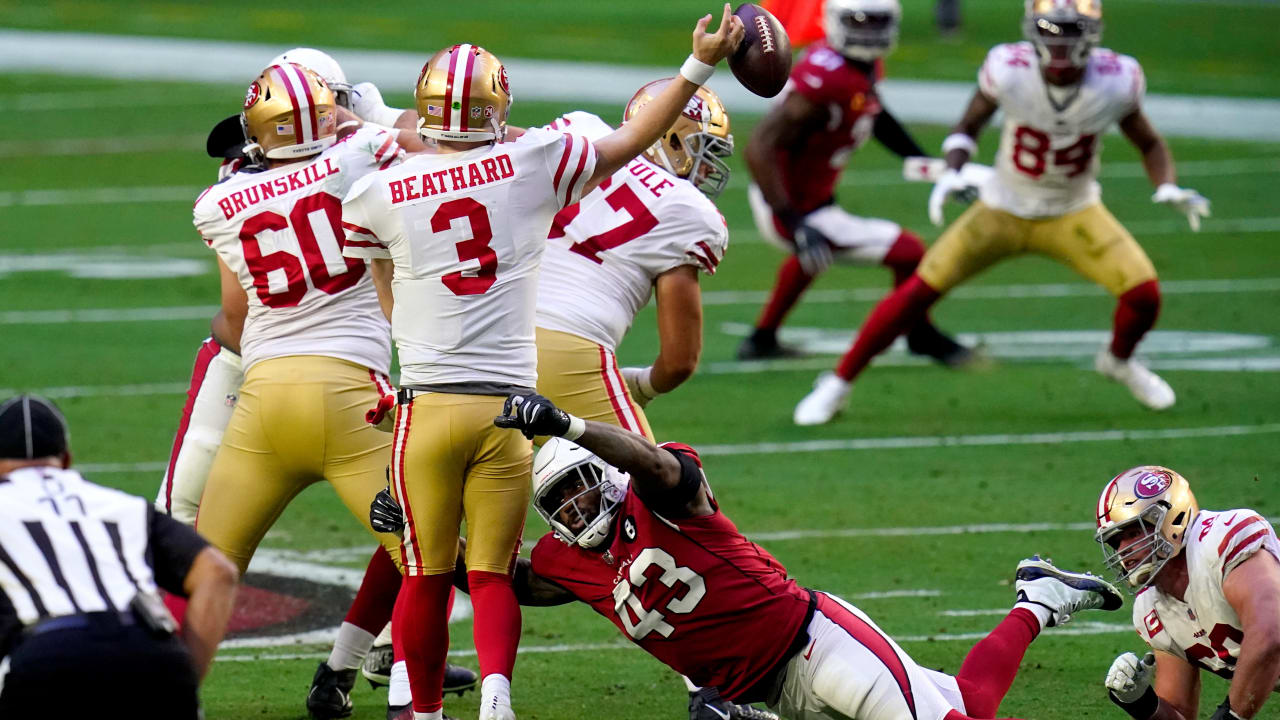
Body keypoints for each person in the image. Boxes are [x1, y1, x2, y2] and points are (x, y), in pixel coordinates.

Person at [339, 12, 745, 718]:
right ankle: (712, 680)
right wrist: (699, 67)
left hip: (447, 367)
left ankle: (379, 671)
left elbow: (416, 152)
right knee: (668, 498)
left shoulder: (423, 174)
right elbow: (679, 360)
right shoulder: (583, 171)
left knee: (425, 534)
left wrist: (373, 115)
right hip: (553, 359)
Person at [409, 391, 1123, 720]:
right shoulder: (570, 560)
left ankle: (1037, 600)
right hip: (762, 696)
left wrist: (571, 425)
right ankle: (1038, 598)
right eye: (556, 504)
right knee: (965, 705)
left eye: (577, 490)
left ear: (602, 477)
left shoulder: (657, 496)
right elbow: (507, 582)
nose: (572, 509)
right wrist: (417, 528)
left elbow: (661, 467)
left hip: (816, 644)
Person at [793, 0, 1211, 425]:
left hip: (1073, 209)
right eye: (1051, 29)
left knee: (1143, 295)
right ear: (1033, 28)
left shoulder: (1117, 79)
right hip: (1003, 208)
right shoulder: (1009, 68)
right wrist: (953, 171)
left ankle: (1119, 361)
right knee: (918, 292)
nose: (1060, 42)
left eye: (1070, 31)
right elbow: (967, 128)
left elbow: (1150, 143)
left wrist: (1167, 184)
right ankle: (837, 382)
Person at [187, 61, 419, 718]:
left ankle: (168, 700)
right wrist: (375, 117)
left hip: (262, 406)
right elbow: (439, 139)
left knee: (206, 569)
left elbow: (234, 317)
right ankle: (409, 700)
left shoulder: (219, 202)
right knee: (428, 558)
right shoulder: (362, 153)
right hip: (354, 400)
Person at [737, 0, 969, 374]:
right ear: (835, 21)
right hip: (791, 203)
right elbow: (758, 147)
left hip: (808, 198)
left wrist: (927, 163)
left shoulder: (854, 65)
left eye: (878, 21)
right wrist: (795, 222)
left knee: (814, 254)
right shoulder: (827, 82)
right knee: (910, 252)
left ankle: (762, 338)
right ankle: (920, 333)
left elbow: (873, 111)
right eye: (860, 21)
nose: (869, 31)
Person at [0, 395, 238, 719]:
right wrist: (183, 676)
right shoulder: (122, 506)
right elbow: (217, 572)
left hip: (49, 660)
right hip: (154, 657)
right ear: (66, 459)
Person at [1095, 466, 1280, 720]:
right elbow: (1180, 712)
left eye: (1133, 533)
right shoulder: (1153, 609)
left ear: (1173, 519)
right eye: (1116, 542)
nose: (1123, 550)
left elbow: (1270, 633)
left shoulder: (1219, 542)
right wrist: (1142, 703)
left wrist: (1230, 717)